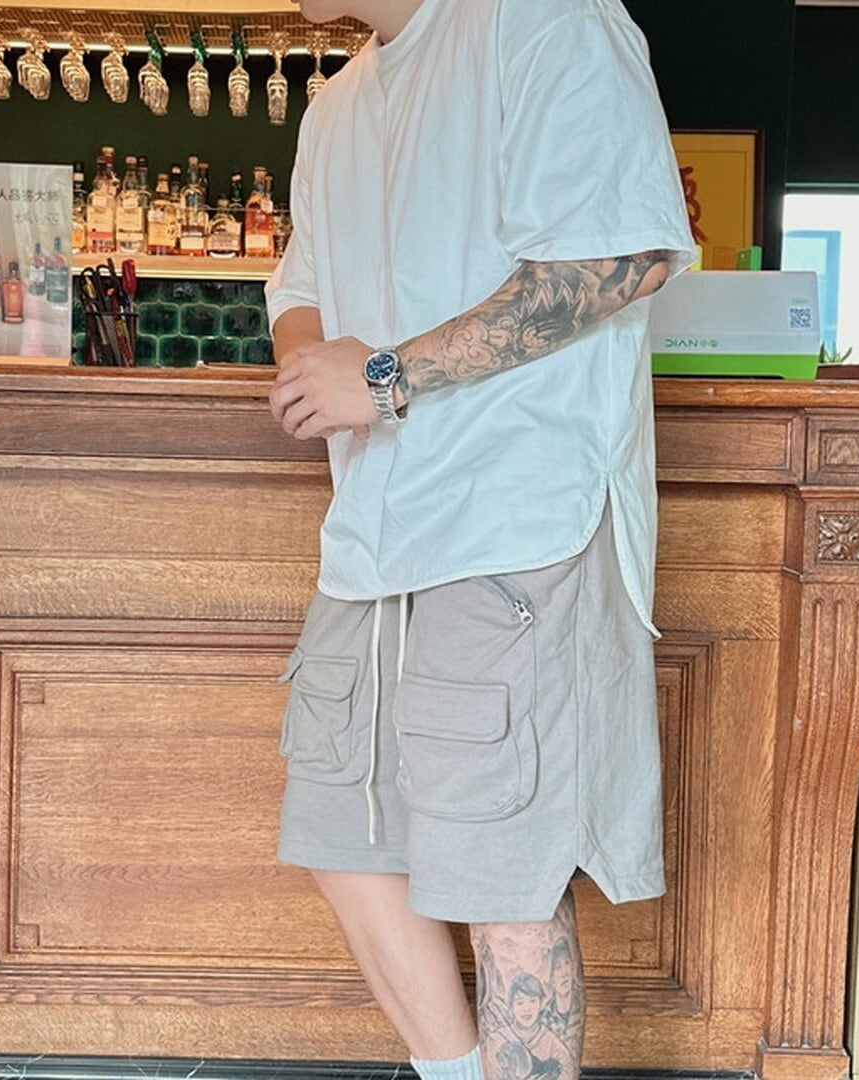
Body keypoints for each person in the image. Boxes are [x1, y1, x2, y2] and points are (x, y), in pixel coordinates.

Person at [265, 1, 695, 1078]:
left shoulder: (543, 19)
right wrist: (315, 365)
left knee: (508, 881)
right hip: (373, 534)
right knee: (348, 845)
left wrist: (382, 377)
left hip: (518, 525)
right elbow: (299, 289)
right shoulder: (336, 105)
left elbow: (621, 259)